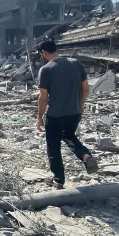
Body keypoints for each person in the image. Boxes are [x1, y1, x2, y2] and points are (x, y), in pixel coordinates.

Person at [36, 40, 98, 189]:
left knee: (53, 146)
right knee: (69, 136)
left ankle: (58, 179)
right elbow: (85, 89)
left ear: (43, 53)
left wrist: (39, 117)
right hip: (75, 112)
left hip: (56, 115)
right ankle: (85, 156)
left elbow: (43, 97)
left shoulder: (46, 69)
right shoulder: (76, 63)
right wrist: (80, 105)